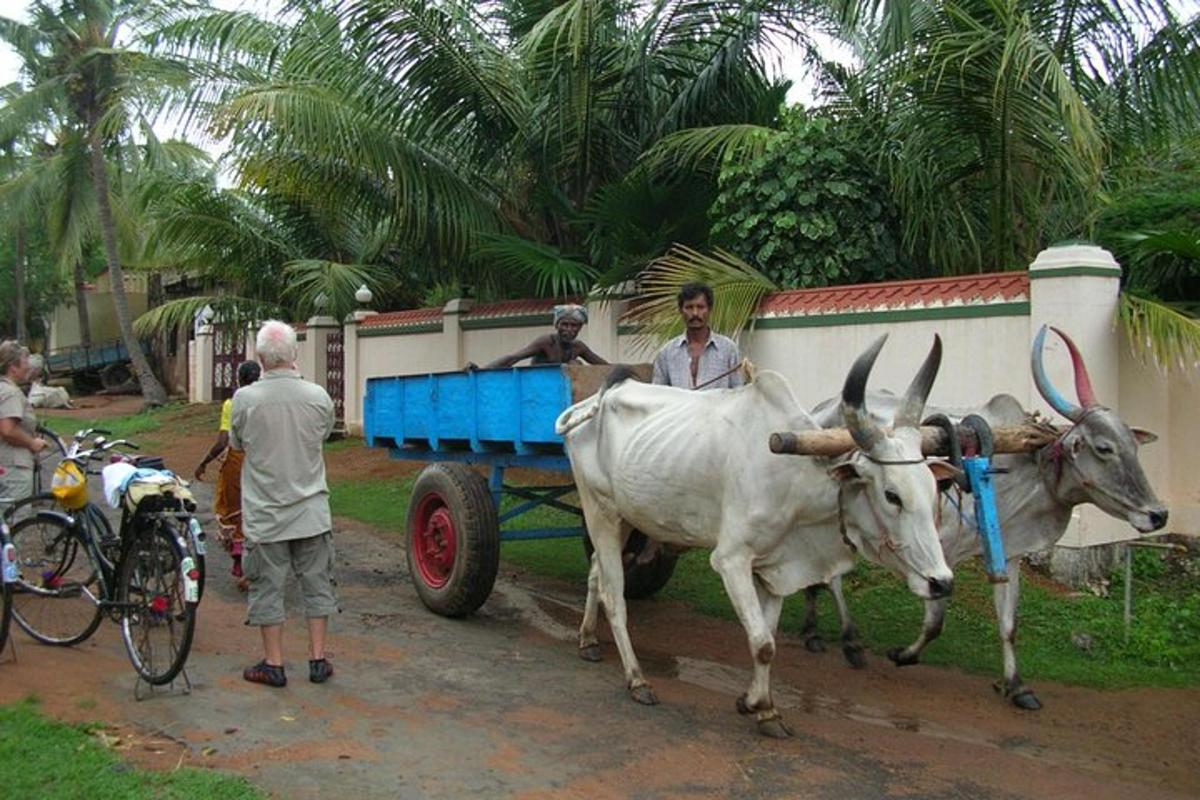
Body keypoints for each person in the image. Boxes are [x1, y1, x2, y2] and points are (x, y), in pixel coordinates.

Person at [231, 321, 337, 688]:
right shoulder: (318, 396)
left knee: (267, 586)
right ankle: (318, 659)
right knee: (317, 584)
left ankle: (274, 663)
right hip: (311, 510)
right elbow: (324, 434)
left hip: (266, 513)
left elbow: (238, 443)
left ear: (260, 358)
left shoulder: (245, 399)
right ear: (295, 355)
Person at [195, 360, 262, 591]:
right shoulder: (266, 401)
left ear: (239, 380)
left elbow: (223, 441)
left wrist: (204, 462)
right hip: (263, 460)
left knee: (235, 512)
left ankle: (243, 568)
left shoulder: (232, 404)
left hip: (237, 460)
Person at [651, 282, 743, 390]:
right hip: (680, 407)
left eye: (700, 307)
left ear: (709, 309)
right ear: (681, 310)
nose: (695, 313)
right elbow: (657, 395)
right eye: (689, 307)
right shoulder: (666, 353)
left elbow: (738, 392)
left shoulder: (728, 350)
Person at [482, 304, 608, 368]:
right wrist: (481, 370)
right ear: (556, 325)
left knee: (576, 364)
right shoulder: (547, 342)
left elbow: (603, 366)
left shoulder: (578, 347)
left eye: (574, 325)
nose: (569, 330)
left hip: (564, 393)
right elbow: (514, 358)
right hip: (539, 391)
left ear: (580, 327)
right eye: (565, 324)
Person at [0, 341, 48, 505]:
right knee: (16, 518)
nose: (28, 366)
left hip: (5, 464)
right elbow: (7, 430)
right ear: (13, 367)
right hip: (14, 467)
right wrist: (32, 442)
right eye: (25, 362)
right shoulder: (11, 393)